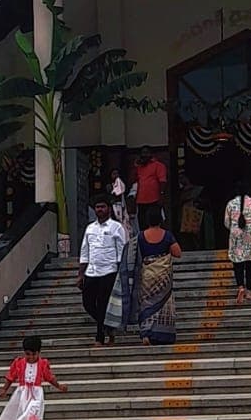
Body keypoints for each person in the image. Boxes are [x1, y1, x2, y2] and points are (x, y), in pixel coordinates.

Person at [77, 197, 127, 347]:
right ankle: (108, 326)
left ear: (109, 209)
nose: (99, 209)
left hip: (109, 271)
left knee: (103, 303)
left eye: (102, 206)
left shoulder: (116, 227)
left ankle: (99, 337)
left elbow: (122, 250)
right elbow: (85, 251)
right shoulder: (90, 228)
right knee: (87, 303)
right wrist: (81, 274)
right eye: (97, 207)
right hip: (91, 271)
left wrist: (121, 271)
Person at [136, 204, 182, 344]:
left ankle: (146, 333)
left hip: (147, 275)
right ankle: (162, 335)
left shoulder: (140, 236)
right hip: (163, 276)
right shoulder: (167, 235)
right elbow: (177, 253)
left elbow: (136, 255)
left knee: (146, 303)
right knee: (163, 303)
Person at [224, 180, 251, 305]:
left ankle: (240, 287)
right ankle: (248, 292)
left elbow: (226, 223)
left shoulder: (230, 204)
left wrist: (235, 228)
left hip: (236, 235)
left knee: (237, 263)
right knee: (250, 264)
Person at [132, 148, 168, 220]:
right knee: (142, 221)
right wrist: (136, 166)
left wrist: (162, 195)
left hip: (154, 199)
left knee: (154, 220)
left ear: (151, 154)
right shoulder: (139, 166)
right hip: (140, 199)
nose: (144, 155)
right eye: (142, 153)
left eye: (146, 153)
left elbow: (162, 181)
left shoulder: (158, 165)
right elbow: (132, 179)